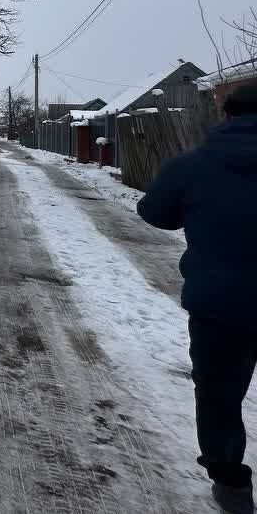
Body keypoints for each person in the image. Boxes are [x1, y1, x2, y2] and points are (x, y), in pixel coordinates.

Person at [139, 81, 257, 514]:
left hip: (220, 304)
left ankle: (230, 482)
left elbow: (154, 212)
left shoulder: (195, 164)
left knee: (219, 394)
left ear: (226, 115)